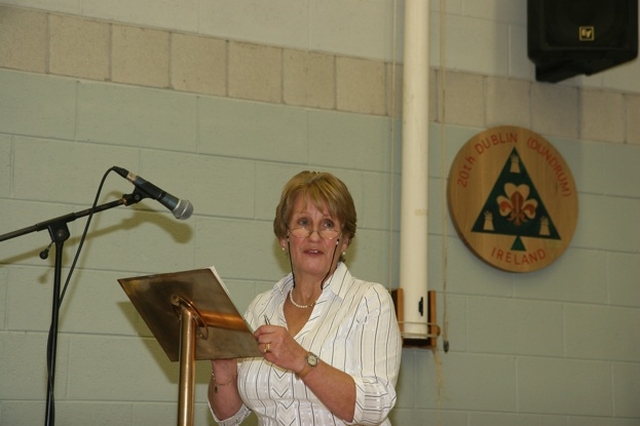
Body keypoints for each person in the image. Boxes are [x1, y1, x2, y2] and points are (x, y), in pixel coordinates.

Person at [208, 170, 402, 425]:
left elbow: (376, 406)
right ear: (284, 238)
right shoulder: (260, 307)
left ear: (344, 242)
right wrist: (223, 366)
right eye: (303, 223)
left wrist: (302, 360)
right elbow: (228, 416)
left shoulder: (369, 300)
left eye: (328, 225)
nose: (314, 236)